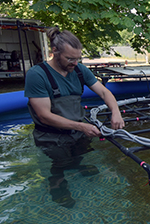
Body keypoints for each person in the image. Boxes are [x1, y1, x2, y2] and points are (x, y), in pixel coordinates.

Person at [24, 27, 125, 207]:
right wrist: (82, 127)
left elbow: (103, 91)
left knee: (82, 155)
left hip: (78, 132)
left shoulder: (79, 70)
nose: (74, 63)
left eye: (77, 58)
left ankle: (78, 166)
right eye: (70, 59)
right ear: (55, 51)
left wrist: (115, 112)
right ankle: (58, 191)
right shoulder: (37, 75)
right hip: (51, 136)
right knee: (58, 166)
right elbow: (44, 115)